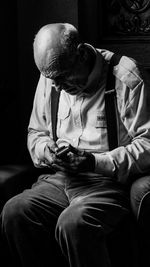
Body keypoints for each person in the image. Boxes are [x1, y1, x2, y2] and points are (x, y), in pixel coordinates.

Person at [1, 22, 150, 267]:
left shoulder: (125, 76)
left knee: (74, 223)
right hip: (59, 179)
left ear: (81, 53)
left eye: (62, 77)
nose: (57, 86)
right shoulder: (51, 75)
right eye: (52, 79)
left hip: (106, 183)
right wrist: (48, 153)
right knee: (14, 212)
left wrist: (93, 161)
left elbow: (147, 144)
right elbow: (35, 133)